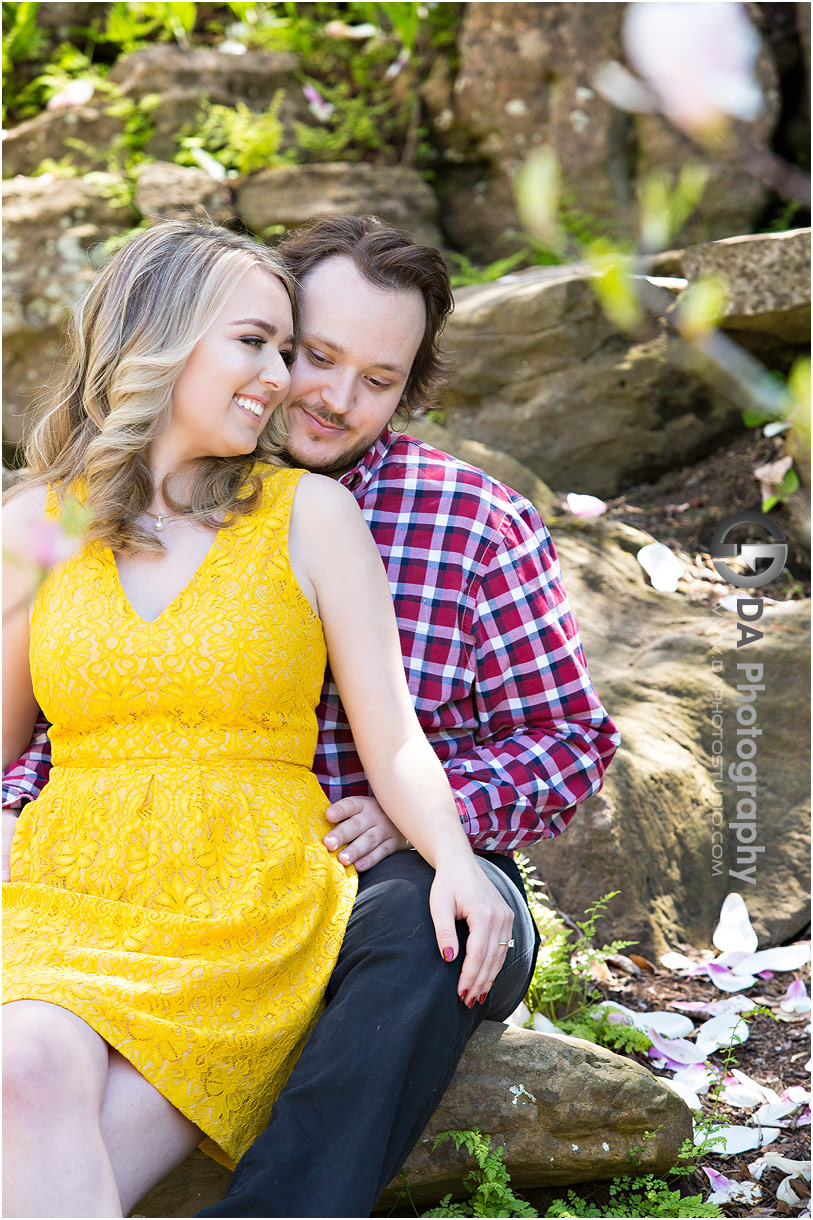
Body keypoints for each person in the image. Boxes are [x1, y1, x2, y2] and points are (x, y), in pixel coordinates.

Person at [4, 217, 620, 1219]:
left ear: (413, 388)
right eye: (310, 354)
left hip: (362, 865)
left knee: (421, 924)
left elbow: (566, 737)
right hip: (131, 868)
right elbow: (65, 714)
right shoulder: (68, 520)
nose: (331, 396)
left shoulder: (471, 521)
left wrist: (427, 816)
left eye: (378, 378)